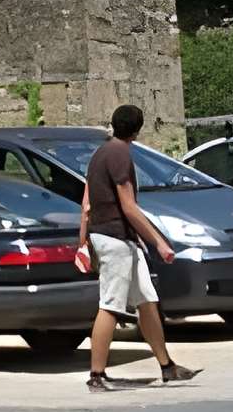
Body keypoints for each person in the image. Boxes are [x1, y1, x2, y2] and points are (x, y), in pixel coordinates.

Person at [77, 101, 198, 395]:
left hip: (120, 238)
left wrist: (83, 240)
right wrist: (159, 242)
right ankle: (97, 376)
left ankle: (167, 366)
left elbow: (86, 203)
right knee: (110, 305)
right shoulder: (120, 154)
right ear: (137, 130)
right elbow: (129, 207)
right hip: (115, 240)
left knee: (147, 300)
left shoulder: (100, 154)